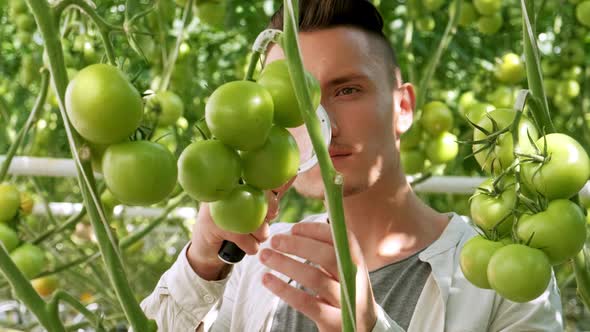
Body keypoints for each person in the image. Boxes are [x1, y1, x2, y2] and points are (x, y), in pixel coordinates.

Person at [140, 0, 563, 331]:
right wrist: (200, 266)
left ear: (403, 107)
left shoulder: (498, 277)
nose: (323, 122)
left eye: (346, 90)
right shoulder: (257, 260)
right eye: (293, 100)